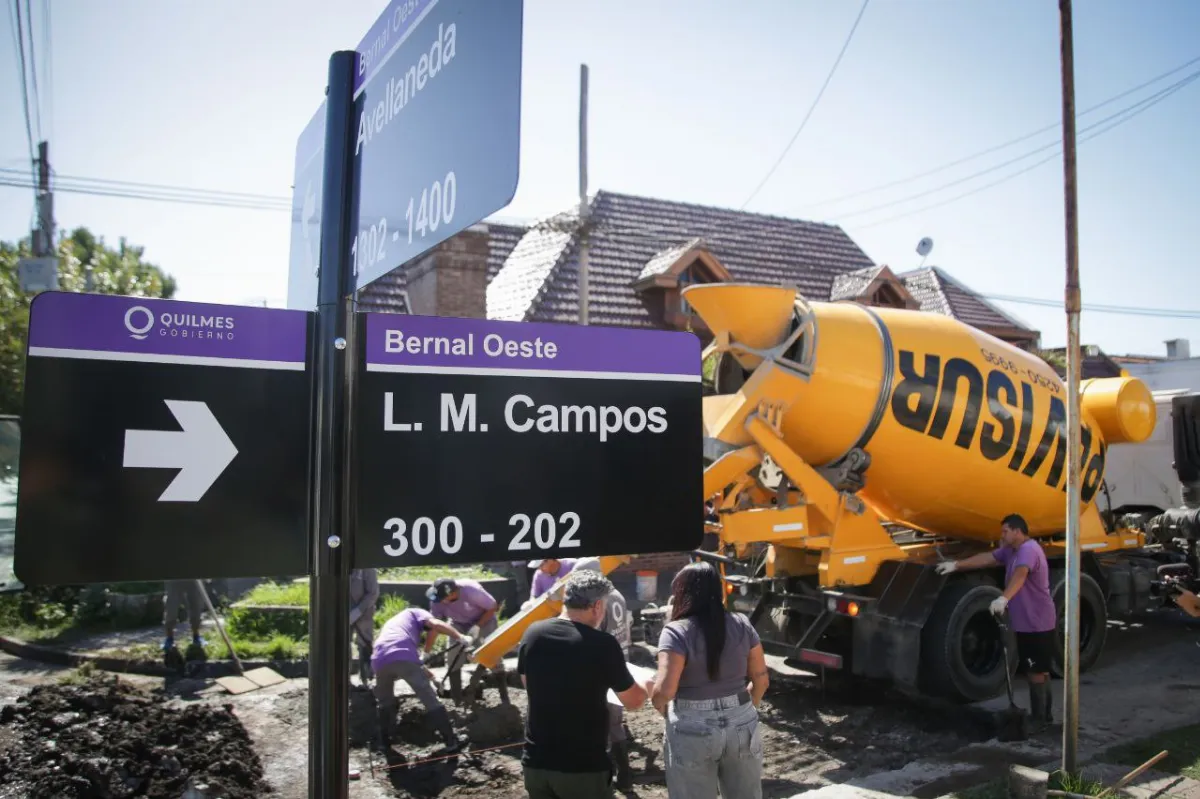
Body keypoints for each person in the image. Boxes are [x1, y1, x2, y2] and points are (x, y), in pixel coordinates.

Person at [517, 568, 654, 798]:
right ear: (597, 606)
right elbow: (634, 701)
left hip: (536, 764)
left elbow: (527, 684)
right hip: (582, 768)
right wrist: (649, 685)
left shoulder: (533, 634)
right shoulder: (602, 644)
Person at [650, 561, 769, 798]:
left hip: (691, 726)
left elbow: (665, 691)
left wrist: (662, 707)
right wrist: (746, 707)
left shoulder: (675, 632)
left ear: (682, 594)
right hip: (741, 721)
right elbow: (762, 680)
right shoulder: (742, 625)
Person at [936, 512, 1056, 731]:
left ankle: (1040, 720)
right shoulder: (1011, 550)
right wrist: (956, 565)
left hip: (1036, 621)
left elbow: (1021, 574)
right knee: (1039, 668)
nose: (1002, 535)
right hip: (1028, 621)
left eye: (1005, 531)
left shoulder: (1028, 550)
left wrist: (1004, 598)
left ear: (1017, 531)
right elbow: (988, 558)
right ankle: (1045, 717)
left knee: (1036, 670)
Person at [372, 604, 473, 752]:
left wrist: (432, 678)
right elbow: (436, 624)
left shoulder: (396, 626)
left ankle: (384, 744)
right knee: (430, 700)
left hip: (378, 660)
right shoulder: (415, 612)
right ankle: (452, 742)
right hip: (401, 654)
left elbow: (411, 663)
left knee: (384, 703)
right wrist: (460, 637)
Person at [574, 557, 635, 789]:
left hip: (602, 669)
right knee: (615, 724)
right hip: (620, 664)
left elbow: (591, 637)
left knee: (599, 726)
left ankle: (605, 780)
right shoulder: (617, 594)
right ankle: (625, 778)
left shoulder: (597, 602)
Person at [427, 577, 508, 704]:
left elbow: (493, 607)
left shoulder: (471, 591)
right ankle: (457, 699)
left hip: (484, 620)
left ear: (453, 593)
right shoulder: (436, 599)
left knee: (493, 655)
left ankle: (504, 698)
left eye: (443, 598)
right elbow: (435, 625)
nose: (440, 602)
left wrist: (477, 626)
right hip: (457, 623)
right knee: (453, 657)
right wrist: (427, 651)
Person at [163, 580, 206, 667]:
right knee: (171, 606)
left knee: (196, 605)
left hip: (193, 577)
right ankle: (169, 639)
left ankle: (196, 636)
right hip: (174, 577)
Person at [350, 568, 380, 688]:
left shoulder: (368, 568)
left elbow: (372, 593)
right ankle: (344, 679)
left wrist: (357, 612)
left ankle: (366, 679)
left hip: (364, 611)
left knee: (365, 645)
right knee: (341, 645)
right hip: (341, 610)